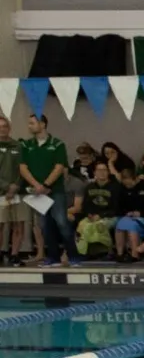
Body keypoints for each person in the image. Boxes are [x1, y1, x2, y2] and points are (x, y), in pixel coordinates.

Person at [19, 113, 73, 266]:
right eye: (29, 123)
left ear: (43, 124)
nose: (29, 126)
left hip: (55, 190)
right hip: (37, 193)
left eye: (32, 123)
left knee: (61, 222)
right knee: (44, 225)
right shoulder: (26, 145)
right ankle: (53, 257)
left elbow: (59, 166)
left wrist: (47, 185)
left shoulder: (57, 144)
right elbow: (23, 168)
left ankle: (73, 254)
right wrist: (37, 186)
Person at [75, 160, 122, 261]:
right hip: (92, 216)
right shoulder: (89, 187)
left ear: (108, 172)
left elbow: (117, 208)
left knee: (100, 225)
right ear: (95, 172)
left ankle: (107, 251)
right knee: (82, 225)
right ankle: (83, 252)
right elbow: (85, 206)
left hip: (110, 216)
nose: (102, 172)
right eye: (99, 170)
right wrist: (89, 215)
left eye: (104, 170)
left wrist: (101, 215)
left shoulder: (115, 187)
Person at [0, 117, 32, 264]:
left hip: (17, 192)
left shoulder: (18, 146)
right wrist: (7, 187)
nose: (2, 129)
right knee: (1, 224)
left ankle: (14, 254)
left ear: (9, 128)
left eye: (5, 126)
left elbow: (23, 168)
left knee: (19, 224)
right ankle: (1, 252)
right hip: (1, 193)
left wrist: (16, 186)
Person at [112, 165, 144, 262]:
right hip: (128, 216)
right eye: (125, 182)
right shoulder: (121, 189)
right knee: (120, 224)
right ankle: (120, 253)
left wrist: (140, 213)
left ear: (134, 178)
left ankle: (135, 254)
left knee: (131, 225)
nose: (127, 184)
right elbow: (119, 207)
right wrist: (127, 213)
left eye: (129, 181)